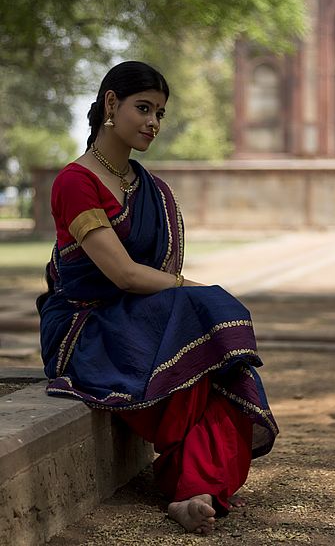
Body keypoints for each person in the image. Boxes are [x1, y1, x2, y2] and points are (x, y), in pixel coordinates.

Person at [37, 61, 278, 535]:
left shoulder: (153, 189)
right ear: (111, 104)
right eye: (143, 108)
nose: (153, 122)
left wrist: (194, 295)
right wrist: (197, 291)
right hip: (86, 327)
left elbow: (156, 277)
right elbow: (124, 274)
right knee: (204, 322)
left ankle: (194, 493)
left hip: (140, 319)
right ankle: (194, 486)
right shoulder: (75, 182)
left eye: (160, 113)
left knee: (219, 376)